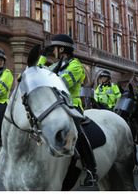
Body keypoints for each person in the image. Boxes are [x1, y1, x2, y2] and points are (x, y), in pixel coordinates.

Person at [38, 34, 97, 187]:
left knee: (79, 134)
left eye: (54, 48)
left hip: (71, 106)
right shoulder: (56, 65)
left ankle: (91, 168)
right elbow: (37, 74)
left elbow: (60, 82)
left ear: (62, 49)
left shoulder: (76, 66)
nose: (53, 51)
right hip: (53, 106)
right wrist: (42, 58)